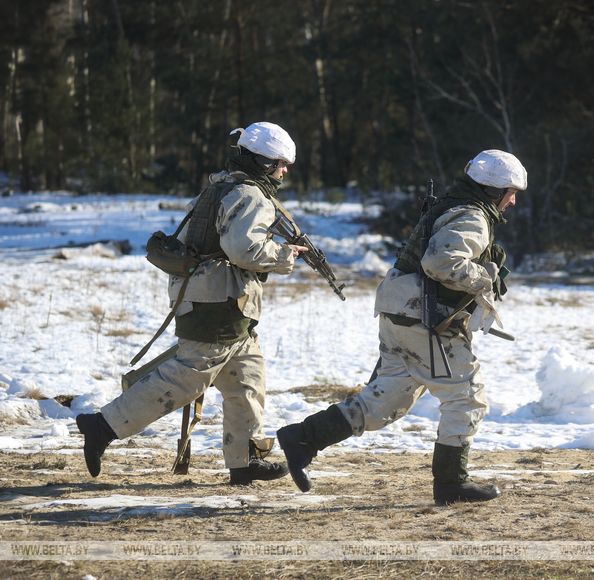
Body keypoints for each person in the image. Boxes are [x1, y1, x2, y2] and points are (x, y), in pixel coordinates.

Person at [276, 149, 527, 505]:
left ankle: (304, 437)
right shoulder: (472, 216)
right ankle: (451, 483)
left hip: (400, 310)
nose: (513, 201)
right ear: (494, 190)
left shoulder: (454, 206)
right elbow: (441, 262)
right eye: (510, 192)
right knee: (466, 396)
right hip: (424, 317)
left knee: (386, 402)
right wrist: (485, 278)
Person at [76, 122, 309, 485]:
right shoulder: (250, 196)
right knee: (186, 378)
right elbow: (244, 250)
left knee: (246, 378)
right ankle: (102, 426)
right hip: (217, 304)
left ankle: (245, 459)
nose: (284, 171)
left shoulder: (218, 188)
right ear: (263, 163)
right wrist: (284, 255)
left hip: (218, 301)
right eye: (280, 163)